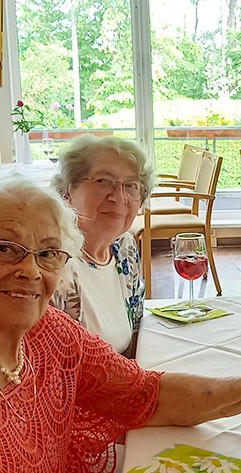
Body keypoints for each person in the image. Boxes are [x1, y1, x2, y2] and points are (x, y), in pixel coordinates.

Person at [0, 179, 241, 472]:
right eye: (4, 248)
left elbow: (147, 395)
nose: (30, 270)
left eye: (48, 253)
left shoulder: (50, 334)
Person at [50, 135, 152, 358]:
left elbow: (136, 335)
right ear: (67, 192)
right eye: (103, 181)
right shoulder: (52, 261)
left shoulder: (124, 246)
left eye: (131, 185)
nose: (119, 197)